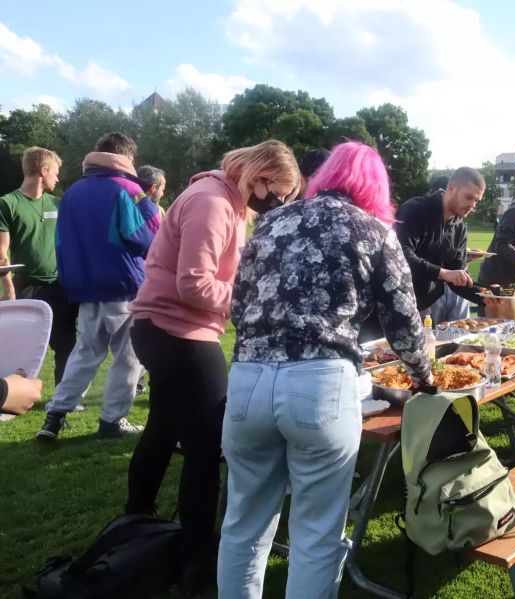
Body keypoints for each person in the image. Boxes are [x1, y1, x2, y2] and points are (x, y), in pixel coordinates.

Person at [218, 142, 432, 599]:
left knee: (243, 524)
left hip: (248, 378)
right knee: (316, 534)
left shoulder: (272, 222)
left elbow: (239, 304)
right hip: (320, 383)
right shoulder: (373, 229)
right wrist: (424, 375)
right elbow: (405, 325)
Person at [125, 140, 302, 594]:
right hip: (177, 331)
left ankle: (134, 523)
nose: (277, 204)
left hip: (165, 327)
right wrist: (254, 302)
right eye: (278, 192)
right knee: (206, 447)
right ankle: (197, 561)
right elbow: (194, 283)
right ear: (258, 176)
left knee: (164, 428)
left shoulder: (225, 200)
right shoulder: (213, 203)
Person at [37, 133, 160, 441]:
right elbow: (144, 239)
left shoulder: (73, 192)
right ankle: (112, 420)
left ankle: (55, 415)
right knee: (128, 356)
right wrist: (149, 210)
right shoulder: (128, 189)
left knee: (86, 351)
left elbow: (62, 243)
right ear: (127, 158)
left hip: (85, 286)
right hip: (123, 285)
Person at [0, 147, 78, 386]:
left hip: (58, 287)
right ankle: (13, 394)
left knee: (66, 344)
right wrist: (9, 290)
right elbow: (2, 252)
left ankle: (62, 399)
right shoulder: (8, 204)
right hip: (26, 288)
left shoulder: (58, 204)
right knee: (23, 347)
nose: (57, 178)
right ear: (43, 171)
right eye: (55, 172)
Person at [394, 166, 485, 323]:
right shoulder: (416, 209)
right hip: (392, 301)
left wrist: (484, 295)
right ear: (451, 188)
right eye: (468, 197)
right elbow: (400, 255)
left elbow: (457, 278)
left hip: (422, 306)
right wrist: (442, 273)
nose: (472, 205)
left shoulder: (460, 228)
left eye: (476, 201)